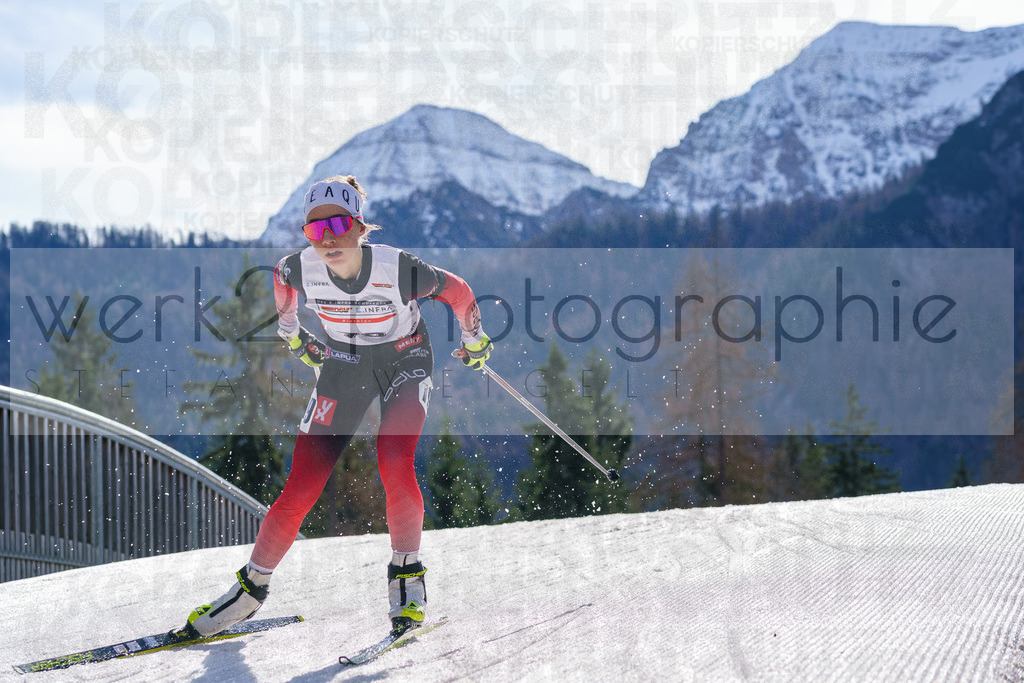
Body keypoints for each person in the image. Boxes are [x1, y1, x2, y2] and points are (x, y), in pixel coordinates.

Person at [175, 175, 491, 639]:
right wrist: (291, 330)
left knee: (393, 461)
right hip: (344, 363)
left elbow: (459, 291)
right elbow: (282, 285)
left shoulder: (398, 268)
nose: (328, 239)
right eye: (315, 230)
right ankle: (251, 589)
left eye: (339, 225)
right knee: (302, 484)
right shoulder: (299, 268)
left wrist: (474, 336)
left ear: (360, 227)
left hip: (405, 358)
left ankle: (406, 574)